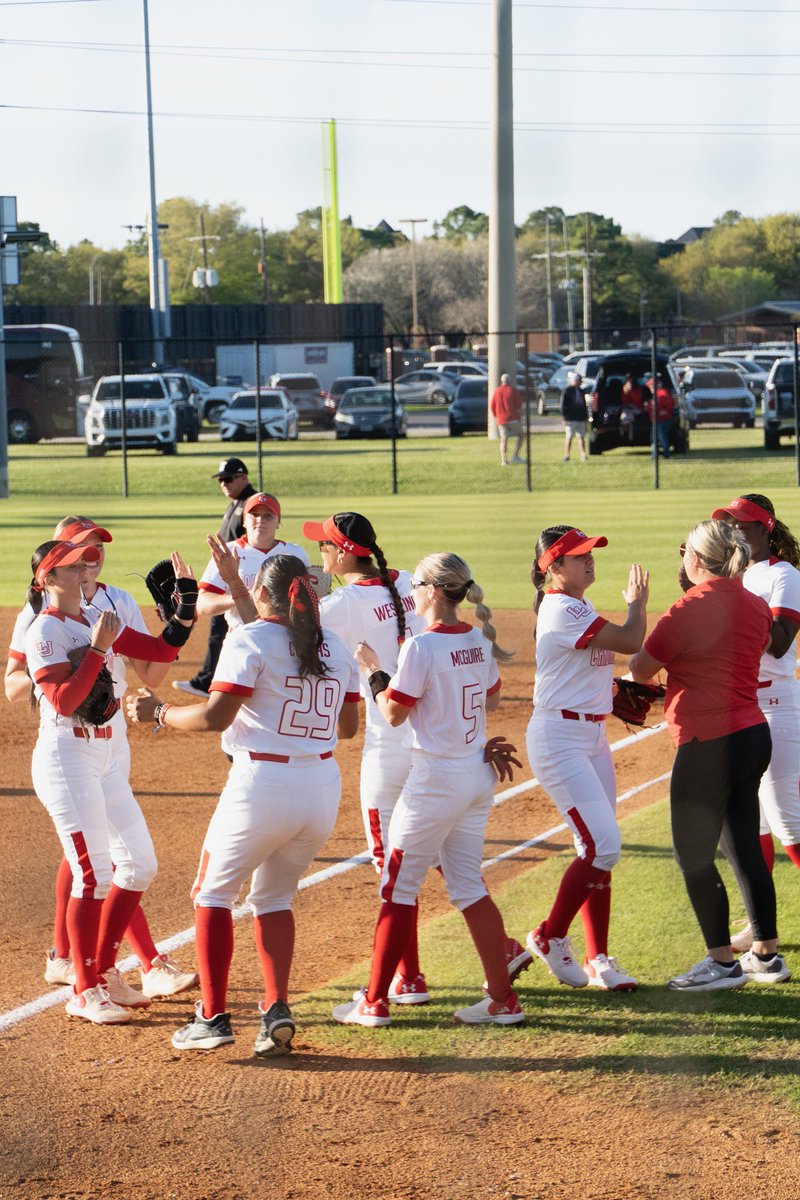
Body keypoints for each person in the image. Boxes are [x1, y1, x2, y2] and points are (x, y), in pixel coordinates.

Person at [127, 552, 360, 1055]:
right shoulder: (333, 646)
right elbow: (347, 728)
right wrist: (236, 584)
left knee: (211, 894)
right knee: (274, 898)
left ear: (262, 595)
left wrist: (161, 712)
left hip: (261, 785)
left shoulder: (248, 639)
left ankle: (212, 1018)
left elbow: (215, 718)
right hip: (321, 787)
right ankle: (276, 1007)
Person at [332, 552, 528, 1029]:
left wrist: (375, 670)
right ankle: (502, 1001)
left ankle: (374, 1002)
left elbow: (393, 714)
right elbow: (494, 699)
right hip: (473, 777)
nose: (411, 592)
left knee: (397, 887)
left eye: (417, 584)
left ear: (436, 591)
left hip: (434, 781)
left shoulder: (421, 646)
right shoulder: (479, 639)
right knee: (468, 887)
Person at [4, 516, 198, 1001]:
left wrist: (184, 615)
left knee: (122, 861)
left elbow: (155, 656)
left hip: (110, 745)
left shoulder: (105, 608)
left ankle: (92, 965)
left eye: (96, 549)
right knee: (94, 866)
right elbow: (39, 693)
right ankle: (91, 974)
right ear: (54, 566)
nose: (90, 558)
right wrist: (87, 655)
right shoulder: (41, 621)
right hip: (69, 745)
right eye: (78, 552)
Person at [629, 519, 787, 990]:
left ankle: (721, 963)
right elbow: (754, 648)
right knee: (744, 848)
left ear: (694, 561)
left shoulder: (686, 608)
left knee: (692, 855)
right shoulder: (756, 604)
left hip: (706, 741)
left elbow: (639, 669)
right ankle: (766, 955)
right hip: (752, 733)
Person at [525, 527, 648, 991]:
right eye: (579, 556)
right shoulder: (562, 608)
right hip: (560, 739)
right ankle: (549, 934)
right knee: (603, 845)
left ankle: (599, 959)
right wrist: (637, 602)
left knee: (599, 850)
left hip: (590, 734)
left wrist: (610, 690)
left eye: (590, 552)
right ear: (553, 568)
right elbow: (632, 640)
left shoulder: (577, 605)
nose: (590, 560)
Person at [710, 494, 800, 955]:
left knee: (790, 825)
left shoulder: (784, 575)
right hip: (740, 706)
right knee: (754, 825)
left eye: (741, 524)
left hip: (778, 706)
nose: (733, 530)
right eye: (728, 523)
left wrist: (739, 605)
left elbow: (781, 643)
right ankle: (762, 926)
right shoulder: (733, 577)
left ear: (765, 529)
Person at [174, 458, 256, 698]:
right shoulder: (235, 504)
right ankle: (210, 680)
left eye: (229, 479)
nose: (224, 484)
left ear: (244, 477)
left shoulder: (251, 503)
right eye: (221, 480)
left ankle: (209, 682)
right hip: (227, 579)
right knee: (218, 630)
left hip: (239, 581)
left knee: (222, 630)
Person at [194, 492, 310, 641]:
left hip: (287, 639)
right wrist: (243, 596)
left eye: (268, 515)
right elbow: (203, 604)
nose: (260, 520)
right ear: (244, 521)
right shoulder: (228, 552)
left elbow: (311, 600)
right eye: (254, 514)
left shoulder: (295, 553)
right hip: (243, 638)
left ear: (278, 522)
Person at [489, 373, 524, 466]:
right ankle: (515, 456)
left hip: (501, 419)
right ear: (510, 381)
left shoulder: (497, 391)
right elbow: (519, 405)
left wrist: (497, 415)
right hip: (513, 418)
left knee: (504, 439)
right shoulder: (512, 390)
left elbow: (492, 406)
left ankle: (504, 460)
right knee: (521, 436)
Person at [560, 372, 588, 462]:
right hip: (570, 418)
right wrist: (564, 417)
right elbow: (563, 405)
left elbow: (584, 405)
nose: (581, 382)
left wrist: (586, 416)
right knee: (569, 437)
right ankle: (567, 455)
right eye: (579, 380)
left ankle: (583, 454)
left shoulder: (581, 391)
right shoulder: (567, 390)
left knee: (581, 437)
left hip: (580, 417)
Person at [650, 374, 675, 459]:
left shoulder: (663, 393)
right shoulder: (655, 394)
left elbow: (670, 403)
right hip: (655, 419)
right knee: (654, 438)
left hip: (663, 419)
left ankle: (666, 454)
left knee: (662, 437)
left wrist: (666, 411)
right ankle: (654, 454)